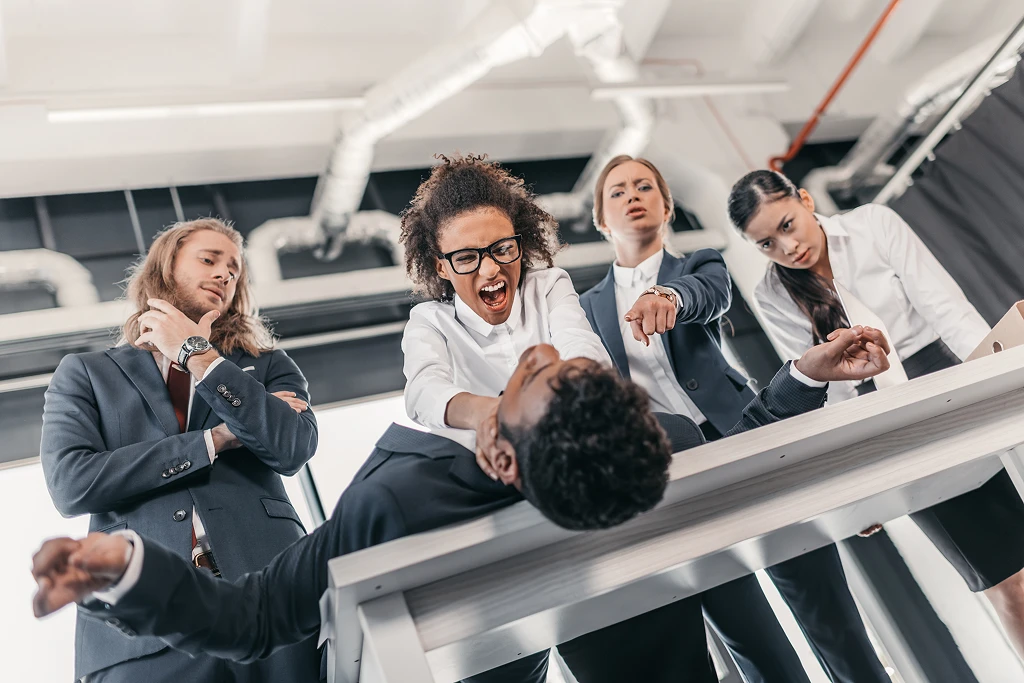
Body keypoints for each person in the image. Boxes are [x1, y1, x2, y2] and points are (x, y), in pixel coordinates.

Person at [33, 329, 891, 683]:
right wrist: (801, 378)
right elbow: (751, 463)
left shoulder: (398, 503)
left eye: (534, 375)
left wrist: (130, 570)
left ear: (502, 455)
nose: (546, 346)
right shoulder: (641, 451)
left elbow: (257, 615)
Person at [580, 154, 889, 683]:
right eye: (618, 191)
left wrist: (669, 297)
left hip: (748, 441)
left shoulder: (700, 266)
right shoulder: (584, 309)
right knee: (750, 641)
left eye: (645, 186)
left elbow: (708, 297)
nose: (633, 195)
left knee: (828, 614)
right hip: (671, 479)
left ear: (667, 205)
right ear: (601, 220)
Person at [729, 168, 1024, 659]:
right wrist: (864, 488)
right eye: (765, 245)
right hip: (893, 426)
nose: (786, 249)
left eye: (786, 226)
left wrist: (1002, 379)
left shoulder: (873, 226)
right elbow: (826, 391)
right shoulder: (772, 295)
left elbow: (948, 310)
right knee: (1003, 581)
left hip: (954, 377)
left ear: (805, 200)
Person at [39, 218, 320, 682]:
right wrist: (217, 439)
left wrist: (199, 356)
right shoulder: (86, 374)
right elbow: (73, 484)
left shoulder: (266, 365)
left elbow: (290, 447)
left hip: (273, 602)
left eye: (234, 269)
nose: (225, 274)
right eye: (209, 260)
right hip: (140, 634)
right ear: (164, 269)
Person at [400, 153, 610, 469]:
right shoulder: (430, 323)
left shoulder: (549, 286)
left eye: (502, 249)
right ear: (441, 267)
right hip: (492, 467)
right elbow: (423, 391)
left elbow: (583, 350)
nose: (490, 270)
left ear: (520, 246)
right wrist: (490, 414)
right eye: (467, 257)